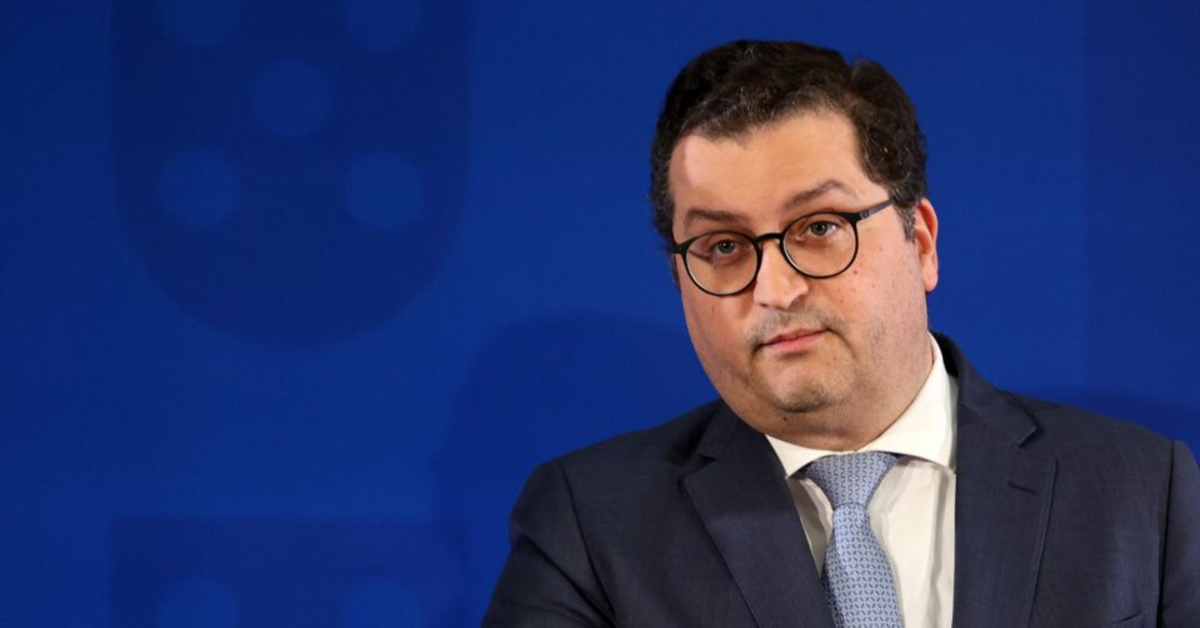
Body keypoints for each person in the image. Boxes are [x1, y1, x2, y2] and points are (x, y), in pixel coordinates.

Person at [483, 40, 1200, 627]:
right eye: (723, 246)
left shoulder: (1144, 493)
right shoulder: (589, 528)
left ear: (921, 242)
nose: (775, 288)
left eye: (819, 228)